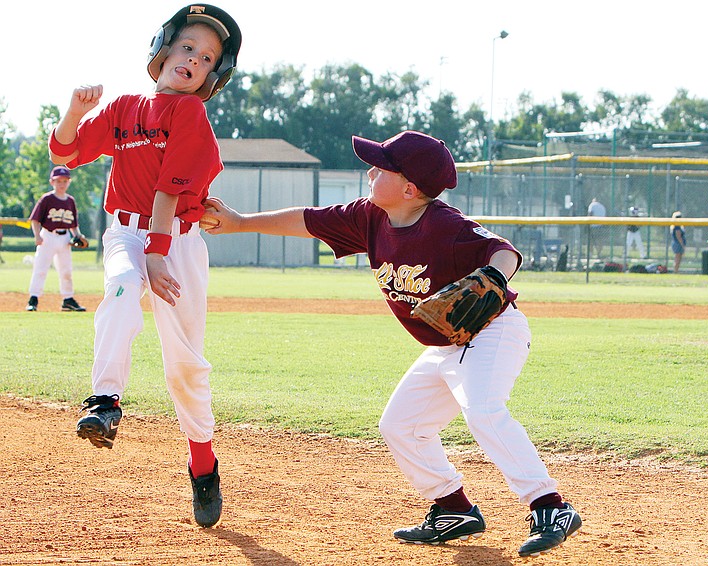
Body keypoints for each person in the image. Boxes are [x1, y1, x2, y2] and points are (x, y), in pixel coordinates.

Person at [205, 130, 582, 557]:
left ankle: (551, 507)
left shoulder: (446, 226)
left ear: (409, 187)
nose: (369, 171)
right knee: (400, 425)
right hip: (445, 345)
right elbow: (306, 220)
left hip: (494, 332)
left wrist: (494, 276)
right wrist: (239, 223)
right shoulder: (369, 217)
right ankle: (453, 509)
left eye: (381, 167)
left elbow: (504, 252)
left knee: (483, 410)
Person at [47, 4, 242, 528]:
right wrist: (73, 108)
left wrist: (157, 252)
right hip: (127, 233)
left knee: (184, 364)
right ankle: (105, 401)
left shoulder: (189, 114)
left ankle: (202, 461)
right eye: (187, 47)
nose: (194, 59)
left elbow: (170, 186)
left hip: (174, 240)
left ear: (212, 78)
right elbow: (66, 151)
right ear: (161, 50)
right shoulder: (124, 107)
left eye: (207, 58)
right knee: (118, 290)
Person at [25, 166, 87, 312]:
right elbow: (35, 220)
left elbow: (73, 224)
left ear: (69, 182)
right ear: (52, 182)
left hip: (65, 238)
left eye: (65, 181)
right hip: (47, 236)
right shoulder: (47, 199)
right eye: (58, 181)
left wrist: (78, 235)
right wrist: (37, 236)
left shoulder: (70, 201)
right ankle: (33, 298)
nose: (62, 184)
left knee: (66, 270)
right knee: (40, 268)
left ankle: (68, 299)